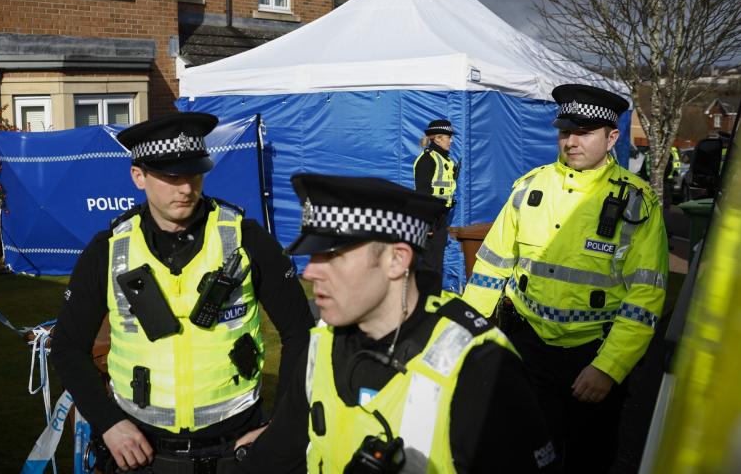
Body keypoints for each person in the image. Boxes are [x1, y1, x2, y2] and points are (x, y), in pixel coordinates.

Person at [236, 174, 557, 473]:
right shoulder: (323, 342)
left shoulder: (481, 367)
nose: (310, 273)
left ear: (397, 259)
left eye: (332, 257)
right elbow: (280, 452)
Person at [51, 112, 314, 473]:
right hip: (142, 455)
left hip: (236, 451)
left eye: (194, 173)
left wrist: (282, 424)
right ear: (138, 176)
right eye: (171, 177)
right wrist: (109, 423)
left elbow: (301, 332)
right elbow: (66, 346)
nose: (186, 188)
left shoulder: (247, 239)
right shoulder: (108, 249)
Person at [462, 83, 668, 473]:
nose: (571, 141)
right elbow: (491, 265)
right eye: (565, 131)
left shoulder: (637, 203)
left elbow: (644, 297)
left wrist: (609, 367)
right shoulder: (530, 188)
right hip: (525, 347)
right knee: (522, 453)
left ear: (612, 138)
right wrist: (470, 333)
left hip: (591, 356)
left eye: (584, 132)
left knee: (587, 459)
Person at [413, 118, 463, 296]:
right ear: (438, 138)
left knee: (436, 264)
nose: (452, 140)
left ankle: (432, 299)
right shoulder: (427, 159)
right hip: (431, 219)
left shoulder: (444, 160)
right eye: (448, 137)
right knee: (429, 264)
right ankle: (424, 302)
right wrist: (427, 224)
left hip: (440, 218)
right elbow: (423, 194)